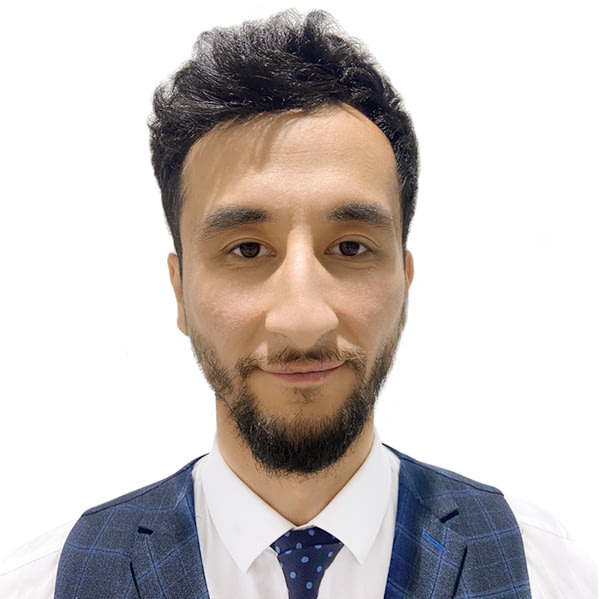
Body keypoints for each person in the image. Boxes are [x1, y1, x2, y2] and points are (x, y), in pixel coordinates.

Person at [0, 9, 595, 599]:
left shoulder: (555, 576)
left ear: (404, 280)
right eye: (247, 249)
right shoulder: (44, 584)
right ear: (179, 291)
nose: (304, 318)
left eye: (351, 247)